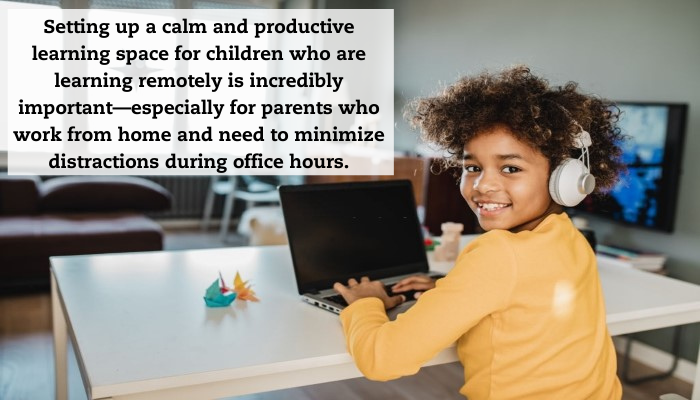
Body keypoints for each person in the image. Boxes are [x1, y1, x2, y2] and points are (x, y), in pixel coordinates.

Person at [333, 65, 625, 399]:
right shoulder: (569, 237)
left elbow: (381, 360)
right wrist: (449, 288)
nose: (483, 185)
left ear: (565, 177)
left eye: (510, 168)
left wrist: (366, 304)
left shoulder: (498, 254)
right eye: (472, 168)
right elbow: (527, 292)